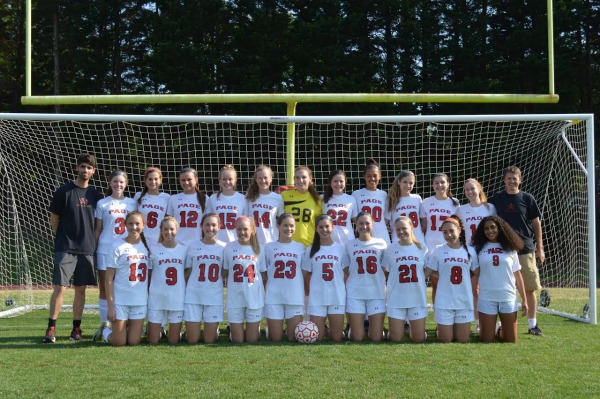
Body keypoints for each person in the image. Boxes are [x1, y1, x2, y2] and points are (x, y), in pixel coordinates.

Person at [44, 153, 103, 343]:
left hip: (87, 249)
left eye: (89, 167)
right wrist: (61, 237)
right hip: (66, 247)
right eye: (83, 166)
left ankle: (76, 329)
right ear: (77, 168)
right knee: (59, 287)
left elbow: (97, 223)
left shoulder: (96, 195)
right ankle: (51, 328)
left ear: (93, 171)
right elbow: (54, 219)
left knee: (80, 289)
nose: (85, 170)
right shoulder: (64, 191)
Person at [489, 165, 545, 336]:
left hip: (525, 249)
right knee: (500, 288)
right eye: (509, 178)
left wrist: (540, 248)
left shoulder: (528, 198)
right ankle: (499, 325)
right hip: (502, 250)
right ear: (504, 180)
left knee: (529, 288)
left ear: (520, 180)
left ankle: (532, 325)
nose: (512, 181)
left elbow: (536, 223)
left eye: (515, 178)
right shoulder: (496, 199)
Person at [92, 170, 137, 341]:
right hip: (105, 249)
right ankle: (105, 324)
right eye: (115, 182)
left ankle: (124, 322)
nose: (118, 185)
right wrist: (94, 250)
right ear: (110, 183)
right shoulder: (102, 203)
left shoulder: (132, 203)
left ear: (126, 184)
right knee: (105, 288)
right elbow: (98, 229)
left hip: (126, 250)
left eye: (121, 182)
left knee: (124, 286)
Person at [472, 216, 528, 343]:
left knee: (511, 340)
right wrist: (474, 292)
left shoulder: (510, 248)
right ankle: (493, 329)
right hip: (487, 297)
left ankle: (499, 330)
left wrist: (524, 300)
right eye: (486, 228)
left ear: (500, 228)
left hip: (507, 296)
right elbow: (475, 273)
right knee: (486, 340)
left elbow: (517, 275)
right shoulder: (478, 249)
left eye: (493, 227)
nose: (490, 231)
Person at [425, 216, 477, 343]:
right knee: (446, 341)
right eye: (445, 232)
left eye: (451, 231)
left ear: (459, 230)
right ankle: (442, 330)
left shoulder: (470, 251)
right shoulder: (438, 250)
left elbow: (477, 273)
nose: (448, 234)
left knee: (462, 340)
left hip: (463, 301)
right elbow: (427, 273)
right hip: (444, 302)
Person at [101, 211, 150, 346]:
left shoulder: (147, 247)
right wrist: (111, 307)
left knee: (134, 342)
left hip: (139, 300)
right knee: (119, 342)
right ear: (125, 225)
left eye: (137, 224)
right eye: (130, 224)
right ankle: (105, 331)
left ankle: (124, 330)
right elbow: (108, 278)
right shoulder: (117, 247)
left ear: (143, 225)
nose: (134, 227)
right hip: (120, 300)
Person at [456, 178, 496, 333]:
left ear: (479, 188)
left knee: (490, 287)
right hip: (471, 253)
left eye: (472, 188)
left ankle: (493, 320)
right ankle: (478, 322)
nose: (470, 192)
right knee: (474, 290)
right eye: (467, 189)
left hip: (488, 251)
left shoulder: (490, 208)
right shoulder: (461, 210)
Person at [302, 215, 350, 341]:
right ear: (316, 229)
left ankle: (334, 331)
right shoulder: (310, 249)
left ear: (332, 228)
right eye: (321, 227)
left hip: (336, 296)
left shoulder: (341, 249)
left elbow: (347, 272)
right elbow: (304, 274)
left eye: (327, 226)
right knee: (317, 338)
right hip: (318, 297)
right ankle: (325, 329)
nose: (324, 230)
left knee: (337, 338)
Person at [383, 216, 428, 343]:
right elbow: (385, 271)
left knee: (418, 339)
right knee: (395, 338)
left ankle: (417, 330)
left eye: (404, 228)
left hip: (417, 298)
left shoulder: (422, 248)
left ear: (412, 228)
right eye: (398, 229)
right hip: (397, 298)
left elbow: (427, 270)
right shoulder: (390, 249)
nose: (401, 232)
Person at [222, 216, 266, 343]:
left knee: (251, 340)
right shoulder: (229, 248)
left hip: (254, 298)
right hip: (235, 298)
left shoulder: (260, 248)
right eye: (239, 229)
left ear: (252, 229)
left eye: (245, 229)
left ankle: (255, 331)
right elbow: (225, 272)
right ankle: (235, 332)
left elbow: (263, 275)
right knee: (238, 340)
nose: (242, 232)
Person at [345, 211, 387, 342]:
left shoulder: (381, 243)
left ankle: (378, 330)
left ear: (373, 224)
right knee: (357, 338)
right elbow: (346, 268)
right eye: (361, 223)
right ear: (356, 225)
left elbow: (385, 268)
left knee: (377, 338)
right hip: (355, 293)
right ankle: (354, 329)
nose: (364, 226)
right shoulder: (349, 244)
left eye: (367, 223)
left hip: (376, 292)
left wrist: (376, 278)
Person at [184, 213, 226, 344]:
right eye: (207, 225)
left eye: (214, 225)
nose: (210, 228)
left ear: (219, 227)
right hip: (194, 295)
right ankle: (191, 331)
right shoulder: (192, 245)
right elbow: (188, 272)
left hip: (213, 296)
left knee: (209, 340)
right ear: (201, 226)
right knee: (192, 340)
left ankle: (213, 330)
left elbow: (225, 272)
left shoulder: (224, 247)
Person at [263, 214, 306, 342]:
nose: (289, 228)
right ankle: (269, 329)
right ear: (278, 226)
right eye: (285, 225)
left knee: (293, 338)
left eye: (292, 226)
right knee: (275, 339)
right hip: (274, 297)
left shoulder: (300, 247)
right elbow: (264, 272)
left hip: (294, 297)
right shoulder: (269, 247)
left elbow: (303, 272)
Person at [420, 173, 460, 304]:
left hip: (448, 247)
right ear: (432, 185)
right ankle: (440, 320)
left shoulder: (455, 203)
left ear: (448, 184)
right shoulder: (426, 202)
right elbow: (424, 227)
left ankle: (452, 318)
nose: (440, 185)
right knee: (436, 285)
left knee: (450, 285)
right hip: (431, 248)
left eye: (442, 182)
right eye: (436, 182)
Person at [147, 216, 188, 344]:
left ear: (177, 230)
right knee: (153, 341)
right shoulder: (153, 248)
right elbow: (149, 273)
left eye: (171, 229)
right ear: (160, 230)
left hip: (176, 297)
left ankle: (179, 332)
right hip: (157, 297)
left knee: (173, 341)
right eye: (165, 229)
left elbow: (187, 272)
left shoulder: (184, 249)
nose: (168, 232)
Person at [351, 159, 390, 245]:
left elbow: (387, 217)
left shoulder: (384, 194)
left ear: (379, 176)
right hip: (363, 237)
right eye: (369, 176)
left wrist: (378, 227)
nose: (372, 178)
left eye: (375, 175)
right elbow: (354, 216)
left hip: (382, 237)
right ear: (364, 176)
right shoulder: (356, 194)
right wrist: (363, 227)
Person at [282, 166, 322, 247]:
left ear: (310, 179)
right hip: (288, 244)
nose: (300, 180)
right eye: (297, 177)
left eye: (304, 177)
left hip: (309, 245)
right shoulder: (284, 196)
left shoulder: (318, 200)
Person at [206, 164, 247, 243]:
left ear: (235, 180)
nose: (227, 182)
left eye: (230, 179)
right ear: (219, 180)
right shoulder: (213, 198)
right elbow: (207, 222)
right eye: (224, 179)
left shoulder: (243, 199)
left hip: (236, 242)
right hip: (216, 242)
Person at [246, 165, 285, 245]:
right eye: (260, 178)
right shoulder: (249, 197)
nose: (263, 181)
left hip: (271, 241)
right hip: (253, 243)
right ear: (256, 179)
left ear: (271, 178)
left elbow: (282, 220)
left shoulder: (278, 198)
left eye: (265, 177)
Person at [167, 167, 206, 245]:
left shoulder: (205, 199)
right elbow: (168, 222)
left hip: (198, 243)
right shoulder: (173, 198)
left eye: (189, 179)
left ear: (196, 179)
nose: (186, 182)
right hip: (177, 243)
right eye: (183, 180)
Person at [134, 167, 170, 248]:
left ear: (160, 180)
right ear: (145, 180)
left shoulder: (167, 198)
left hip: (159, 240)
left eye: (156, 179)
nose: (153, 182)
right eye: (150, 179)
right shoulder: (138, 196)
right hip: (140, 239)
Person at [386, 170, 425, 245]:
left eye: (411, 183)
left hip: (417, 239)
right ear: (399, 182)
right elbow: (385, 221)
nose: (408, 185)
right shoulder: (391, 200)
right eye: (405, 182)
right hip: (398, 240)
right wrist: (386, 227)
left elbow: (423, 220)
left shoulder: (417, 198)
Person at [322, 170, 358, 244]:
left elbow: (357, 221)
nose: (338, 184)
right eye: (335, 181)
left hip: (348, 241)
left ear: (345, 182)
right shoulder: (322, 198)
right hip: (328, 241)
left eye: (341, 181)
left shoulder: (351, 199)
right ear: (330, 182)